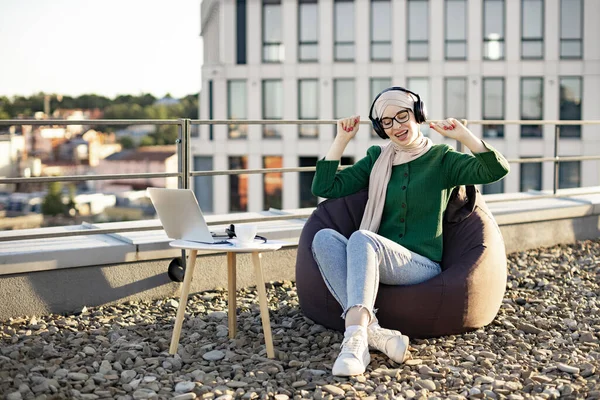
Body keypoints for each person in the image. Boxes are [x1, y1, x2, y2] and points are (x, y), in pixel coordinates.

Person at [310, 87, 510, 376]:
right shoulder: (377, 159)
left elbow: (496, 170)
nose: (396, 126)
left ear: (418, 115)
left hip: (420, 264)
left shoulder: (443, 159)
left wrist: (464, 136)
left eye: (402, 116)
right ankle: (375, 333)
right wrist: (341, 139)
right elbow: (324, 188)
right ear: (380, 128)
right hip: (377, 256)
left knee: (361, 238)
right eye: (387, 122)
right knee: (323, 238)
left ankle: (354, 342)